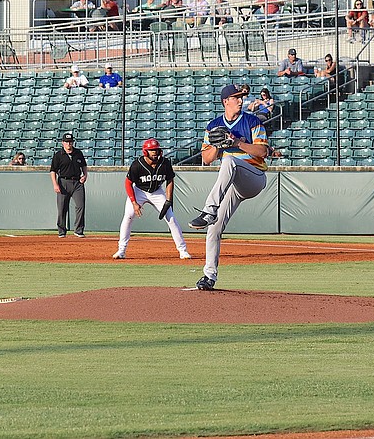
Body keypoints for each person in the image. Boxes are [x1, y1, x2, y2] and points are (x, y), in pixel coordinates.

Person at [188, 83, 270, 291]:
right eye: (237, 97)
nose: (241, 100)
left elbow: (262, 152)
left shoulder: (252, 121)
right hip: (231, 183)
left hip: (254, 177)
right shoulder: (214, 125)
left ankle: (208, 210)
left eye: (241, 97)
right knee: (213, 229)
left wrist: (236, 142)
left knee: (229, 161)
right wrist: (217, 145)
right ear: (226, 101)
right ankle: (209, 276)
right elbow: (206, 160)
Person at [115, 138, 190, 260]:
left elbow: (170, 180)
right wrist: (134, 203)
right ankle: (121, 250)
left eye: (156, 150)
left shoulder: (165, 163)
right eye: (151, 150)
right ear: (145, 152)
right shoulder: (137, 165)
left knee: (171, 218)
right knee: (128, 216)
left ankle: (183, 250)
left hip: (157, 191)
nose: (154, 152)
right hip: (139, 191)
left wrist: (168, 200)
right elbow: (128, 183)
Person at [49, 132, 88, 238]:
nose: (69, 144)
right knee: (62, 207)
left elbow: (84, 165)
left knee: (80, 206)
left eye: (70, 142)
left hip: (77, 182)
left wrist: (85, 175)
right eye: (66, 142)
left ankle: (79, 230)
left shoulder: (78, 153)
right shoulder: (58, 155)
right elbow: (53, 171)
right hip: (63, 182)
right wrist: (55, 184)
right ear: (63, 143)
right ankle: (62, 230)